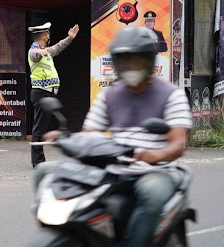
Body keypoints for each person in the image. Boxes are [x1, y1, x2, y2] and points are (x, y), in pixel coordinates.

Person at [35, 26, 192, 247]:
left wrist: (153, 156)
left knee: (153, 195)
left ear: (149, 60)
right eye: (124, 60)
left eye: (136, 60)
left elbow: (178, 144)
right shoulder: (110, 95)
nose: (130, 66)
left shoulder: (171, 94)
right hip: (113, 167)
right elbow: (89, 134)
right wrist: (65, 139)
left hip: (152, 171)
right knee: (44, 172)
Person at [28, 21, 79, 167]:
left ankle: (38, 160)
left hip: (47, 93)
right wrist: (40, 52)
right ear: (44, 36)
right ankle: (37, 162)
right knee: (39, 128)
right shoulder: (34, 51)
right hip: (41, 93)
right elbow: (34, 54)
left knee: (42, 126)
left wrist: (69, 38)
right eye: (48, 34)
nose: (49, 36)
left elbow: (57, 48)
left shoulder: (46, 51)